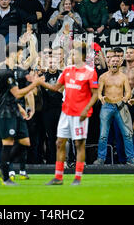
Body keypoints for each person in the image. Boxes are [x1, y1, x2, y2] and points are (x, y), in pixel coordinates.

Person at [40, 42, 99, 185]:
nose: (71, 56)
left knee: (79, 144)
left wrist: (86, 109)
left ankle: (77, 177)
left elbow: (95, 94)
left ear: (82, 56)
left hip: (80, 114)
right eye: (71, 53)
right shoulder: (67, 70)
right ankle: (58, 177)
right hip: (65, 112)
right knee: (59, 142)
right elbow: (55, 88)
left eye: (74, 53)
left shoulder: (90, 72)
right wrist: (38, 82)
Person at [0, 45, 44, 186]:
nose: (21, 57)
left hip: (14, 109)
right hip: (5, 111)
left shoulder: (10, 71)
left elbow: (10, 94)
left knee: (25, 141)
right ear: (13, 54)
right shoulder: (5, 72)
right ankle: (5, 176)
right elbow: (17, 93)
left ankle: (2, 166)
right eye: (20, 54)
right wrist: (36, 83)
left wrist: (20, 108)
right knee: (8, 143)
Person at [95, 54, 134, 165]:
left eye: (117, 61)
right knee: (103, 134)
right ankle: (101, 158)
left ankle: (131, 158)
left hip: (120, 106)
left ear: (120, 63)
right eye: (112, 61)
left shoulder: (123, 77)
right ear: (108, 63)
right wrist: (101, 98)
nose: (114, 63)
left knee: (127, 133)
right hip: (107, 106)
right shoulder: (103, 77)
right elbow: (99, 92)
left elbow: (128, 91)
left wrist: (126, 98)